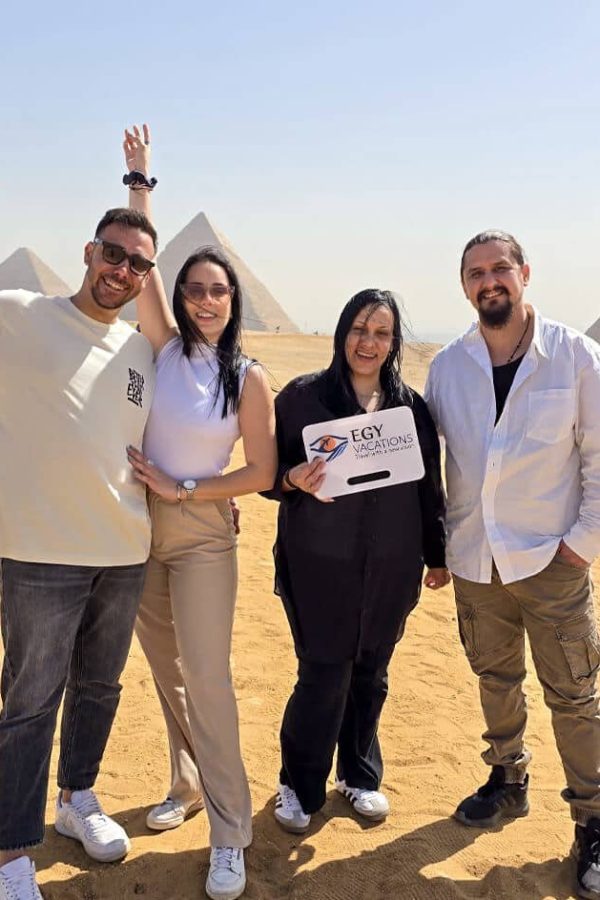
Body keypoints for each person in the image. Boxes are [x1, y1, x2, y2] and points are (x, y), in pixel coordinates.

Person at [122, 125, 277, 900]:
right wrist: (140, 180)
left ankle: (231, 832)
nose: (206, 299)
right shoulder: (163, 348)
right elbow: (140, 265)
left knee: (209, 680)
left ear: (233, 299)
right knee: (167, 674)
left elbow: (261, 468)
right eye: (195, 289)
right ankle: (184, 783)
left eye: (219, 289)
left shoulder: (245, 376)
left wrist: (186, 492)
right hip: (136, 532)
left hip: (201, 532)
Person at [424, 230, 600, 900]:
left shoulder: (577, 357)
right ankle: (508, 778)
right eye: (476, 272)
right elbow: (420, 456)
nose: (490, 281)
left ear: (525, 273)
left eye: (501, 268)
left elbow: (599, 458)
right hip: (475, 560)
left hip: (552, 560)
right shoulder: (449, 365)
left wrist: (582, 542)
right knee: (495, 677)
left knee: (576, 696)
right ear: (463, 284)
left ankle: (592, 818)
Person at [0, 208, 158, 900]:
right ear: (89, 251)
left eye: (137, 265)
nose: (120, 271)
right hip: (37, 553)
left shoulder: (141, 351)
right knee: (30, 701)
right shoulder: (18, 314)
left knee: (99, 685)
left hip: (123, 549)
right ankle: (10, 851)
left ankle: (77, 799)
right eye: (113, 255)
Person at [262, 288, 449, 833]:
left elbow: (426, 487)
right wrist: (291, 479)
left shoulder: (410, 407)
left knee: (372, 671)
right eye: (359, 329)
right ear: (343, 332)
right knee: (323, 673)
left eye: (382, 333)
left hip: (391, 565)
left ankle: (359, 775)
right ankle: (298, 784)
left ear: (394, 343)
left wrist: (435, 556)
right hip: (319, 564)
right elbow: (267, 475)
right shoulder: (301, 398)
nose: (369, 342)